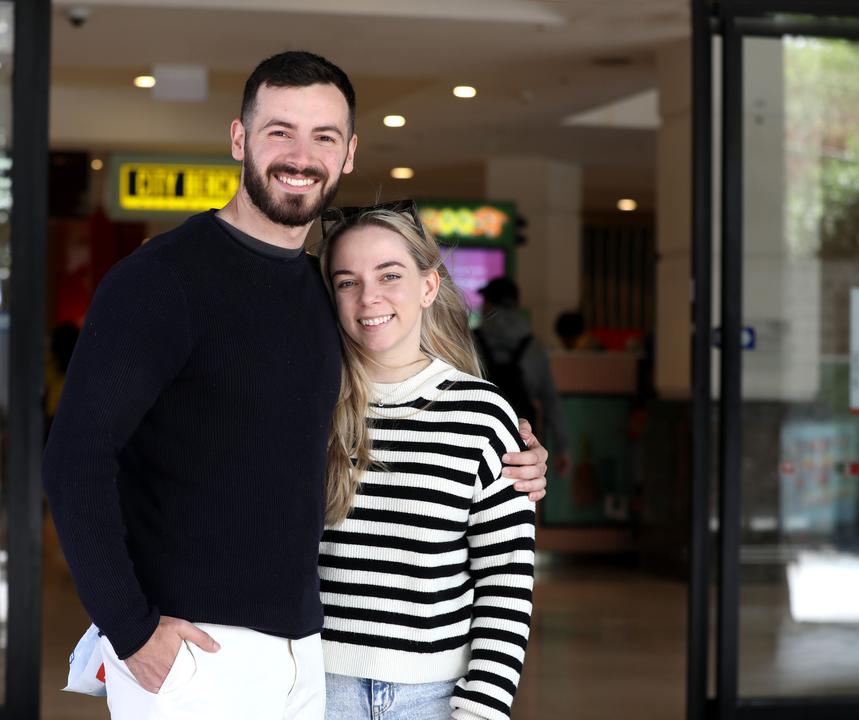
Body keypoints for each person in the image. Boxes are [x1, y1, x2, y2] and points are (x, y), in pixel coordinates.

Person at [42, 51, 549, 720]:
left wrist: (515, 457)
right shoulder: (161, 279)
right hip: (197, 649)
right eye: (280, 131)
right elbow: (75, 457)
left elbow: (391, 402)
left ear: (347, 155)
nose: (300, 155)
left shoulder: (319, 294)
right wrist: (130, 628)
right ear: (239, 139)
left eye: (324, 137)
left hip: (307, 651)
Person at [317, 204, 535, 720]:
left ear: (429, 286)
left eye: (390, 275)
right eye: (347, 282)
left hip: (435, 699)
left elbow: (506, 577)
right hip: (314, 690)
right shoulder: (310, 406)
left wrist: (482, 709)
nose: (369, 297)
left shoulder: (482, 414)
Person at [475, 277, 571, 476]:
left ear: (490, 304)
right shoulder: (533, 347)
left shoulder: (471, 342)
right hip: (522, 440)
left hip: (477, 439)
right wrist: (563, 448)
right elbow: (551, 402)